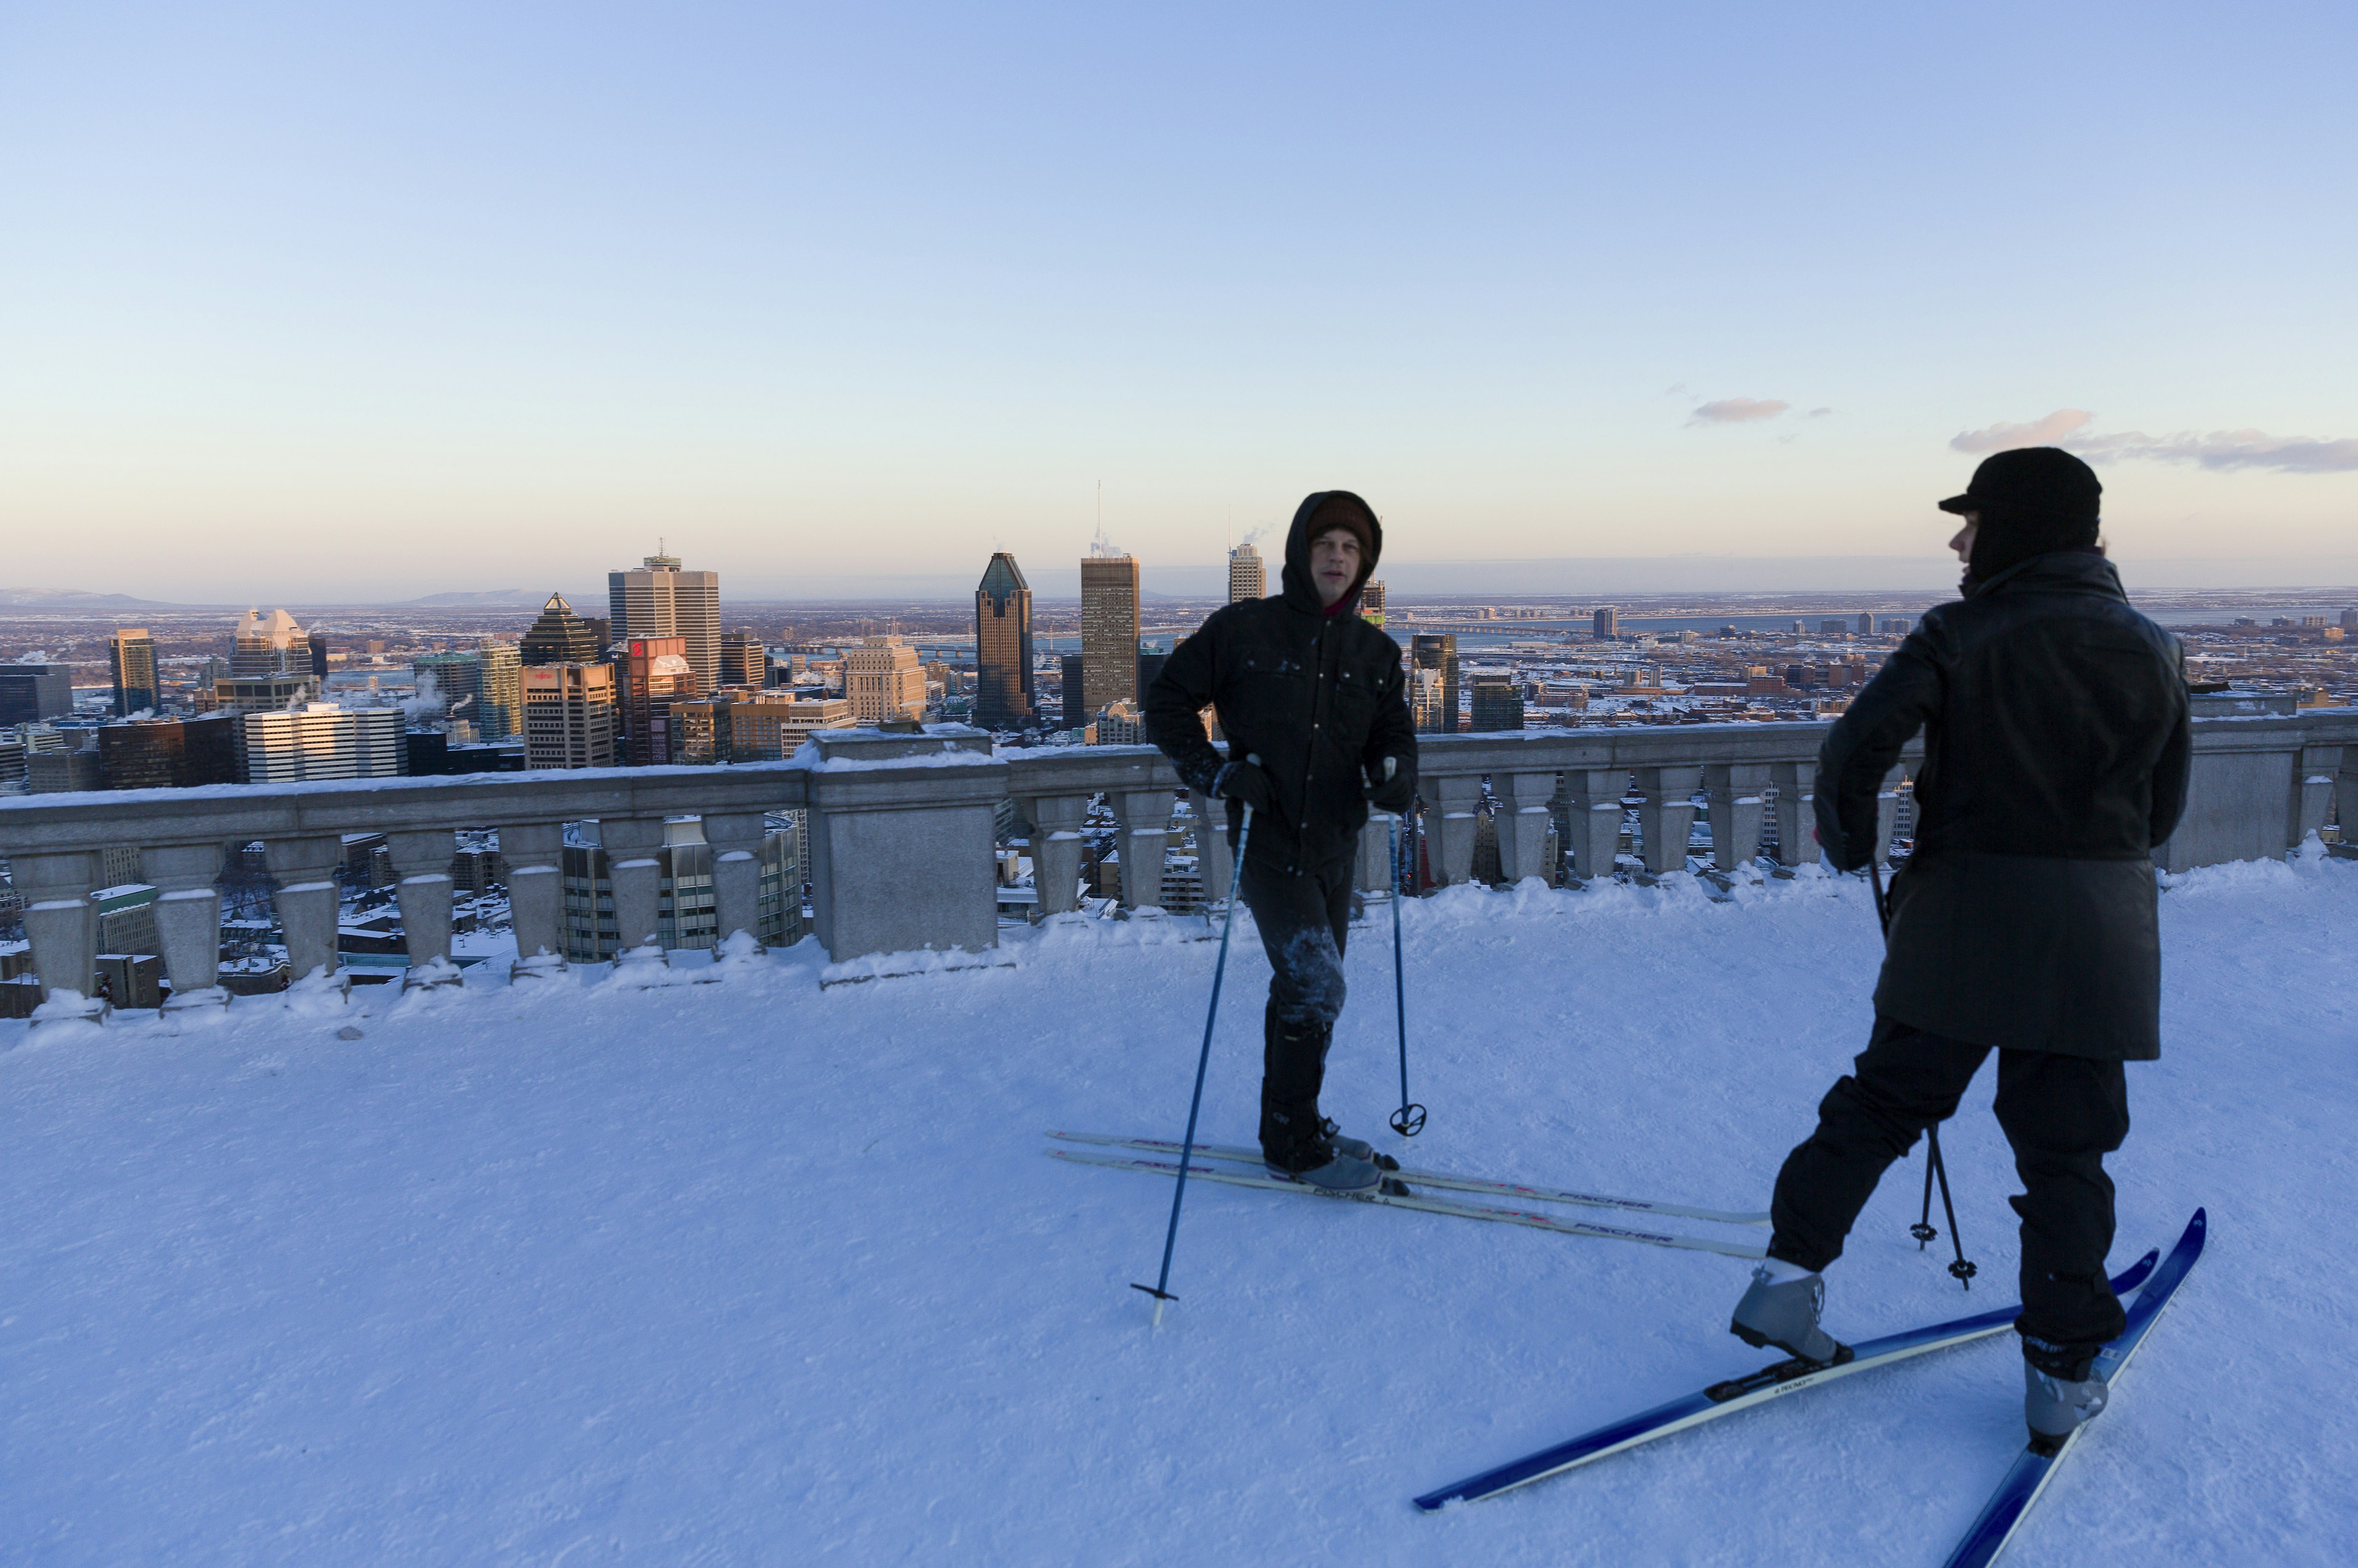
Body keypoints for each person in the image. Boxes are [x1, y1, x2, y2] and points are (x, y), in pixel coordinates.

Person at [1729, 447, 2190, 1445]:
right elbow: (2164, 810)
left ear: (2018, 526)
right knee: (2067, 1152)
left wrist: (1854, 843)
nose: (1956, 538)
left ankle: (1786, 1277)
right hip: (2095, 940)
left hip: (1960, 921)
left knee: (1881, 1102)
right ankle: (2061, 1373)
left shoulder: (1959, 632)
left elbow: (1853, 749)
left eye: (1972, 520)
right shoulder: (2154, 646)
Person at [1145, 491, 1418, 1193]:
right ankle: (1293, 1143)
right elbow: (1167, 699)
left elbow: (1396, 738)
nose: (1337, 556)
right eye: (1326, 543)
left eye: (1351, 548)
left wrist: (1394, 774)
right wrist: (1217, 770)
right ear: (1301, 553)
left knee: (1309, 991)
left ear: (1364, 565)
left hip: (1336, 843)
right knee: (1317, 981)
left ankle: (1293, 1120)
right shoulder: (1244, 631)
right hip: (1267, 845)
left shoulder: (1377, 653)